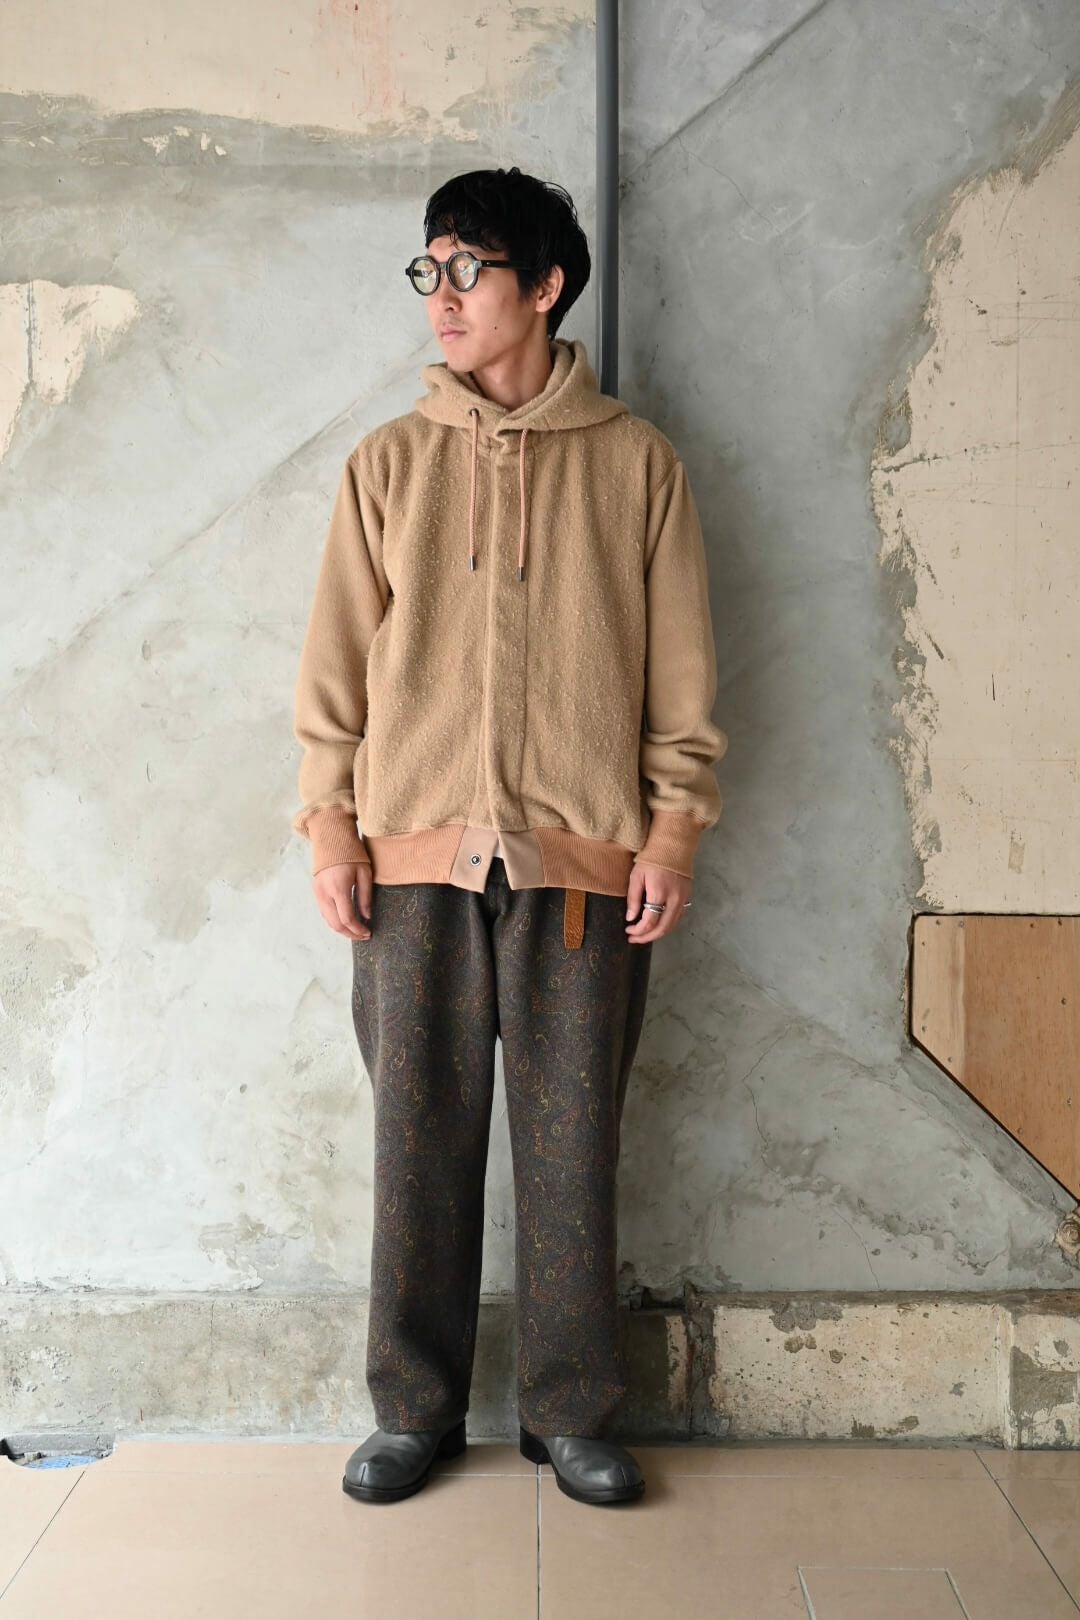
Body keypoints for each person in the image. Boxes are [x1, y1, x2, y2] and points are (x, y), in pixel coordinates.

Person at [291, 166, 728, 1508]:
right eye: (429, 270)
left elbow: (682, 677)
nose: (443, 296)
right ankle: (412, 1412)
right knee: (416, 1146)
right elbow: (334, 668)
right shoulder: (388, 463)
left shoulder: (638, 464)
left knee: (571, 1146)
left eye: (470, 268)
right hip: (411, 862)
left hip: (584, 865)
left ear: (545, 285)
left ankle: (570, 1413)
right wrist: (331, 826)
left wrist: (672, 833)